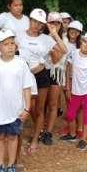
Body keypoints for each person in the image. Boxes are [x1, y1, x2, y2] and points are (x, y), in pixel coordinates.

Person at [0, 29, 34, 172]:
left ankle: (11, 165)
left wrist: (27, 108)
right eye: (6, 44)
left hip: (16, 110)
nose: (10, 47)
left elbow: (26, 87)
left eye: (12, 43)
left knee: (13, 137)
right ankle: (0, 166)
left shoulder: (21, 64)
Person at [16, 8, 67, 153]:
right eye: (34, 21)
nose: (36, 25)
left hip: (40, 76)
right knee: (25, 107)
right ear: (29, 20)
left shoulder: (46, 39)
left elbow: (64, 50)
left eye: (40, 23)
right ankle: (15, 138)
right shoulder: (19, 36)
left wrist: (55, 33)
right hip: (22, 76)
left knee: (38, 109)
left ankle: (35, 139)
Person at [62, 31, 87, 151]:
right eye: (85, 41)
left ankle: (83, 139)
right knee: (70, 114)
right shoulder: (73, 53)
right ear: (81, 41)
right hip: (76, 90)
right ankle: (73, 134)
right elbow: (68, 69)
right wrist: (68, 86)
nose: (86, 45)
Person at [43, 11, 67, 146]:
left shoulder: (64, 38)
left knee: (52, 104)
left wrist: (55, 35)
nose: (55, 25)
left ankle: (48, 132)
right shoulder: (42, 37)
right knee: (40, 105)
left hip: (56, 73)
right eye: (52, 22)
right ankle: (40, 128)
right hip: (42, 71)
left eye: (57, 23)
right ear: (47, 23)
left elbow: (61, 54)